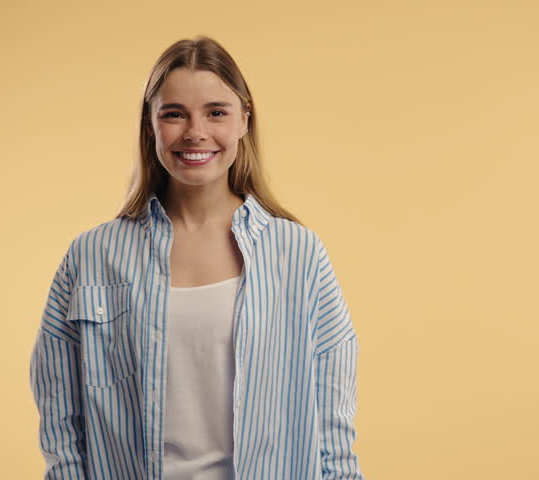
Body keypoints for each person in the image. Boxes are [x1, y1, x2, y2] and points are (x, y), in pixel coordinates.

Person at [29, 35, 364, 480]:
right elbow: (59, 416)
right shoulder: (92, 257)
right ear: (150, 126)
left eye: (216, 112)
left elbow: (333, 430)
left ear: (245, 120)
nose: (195, 132)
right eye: (173, 114)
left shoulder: (299, 255)